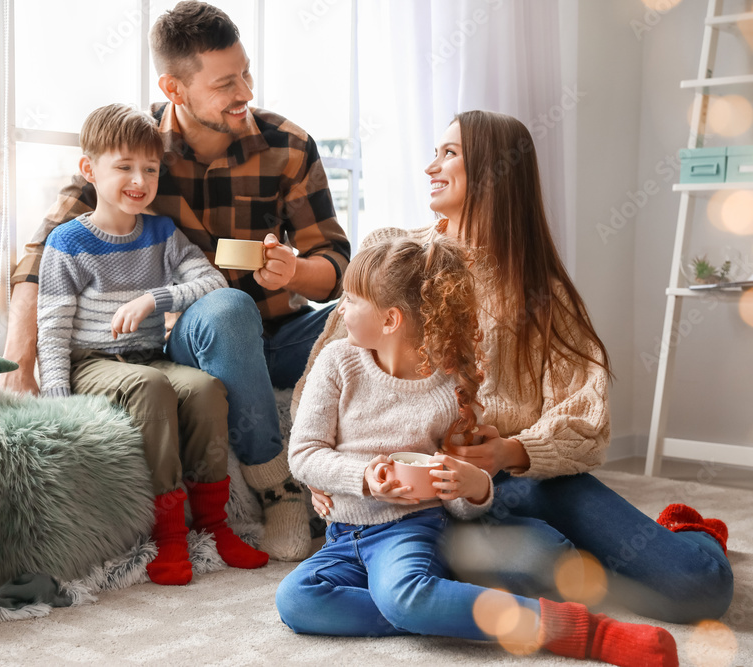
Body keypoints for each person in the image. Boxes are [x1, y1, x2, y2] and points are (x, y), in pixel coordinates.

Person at [300, 110, 733, 624]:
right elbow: (325, 380)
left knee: (698, 589)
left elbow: (587, 424)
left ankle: (688, 531)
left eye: (449, 153)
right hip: (424, 504)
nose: (430, 166)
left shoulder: (543, 294)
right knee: (545, 569)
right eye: (435, 152)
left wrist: (508, 450)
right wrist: (333, 475)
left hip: (521, 479)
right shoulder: (396, 255)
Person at [0, 1, 351, 562]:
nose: (246, 92)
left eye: (246, 73)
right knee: (230, 306)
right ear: (175, 87)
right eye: (226, 83)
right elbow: (44, 249)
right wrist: (22, 364)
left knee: (361, 319)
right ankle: (278, 486)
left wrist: (294, 268)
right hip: (197, 337)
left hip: (281, 337)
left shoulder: (289, 146)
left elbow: (334, 262)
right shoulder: (135, 149)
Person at [275, 236, 679, 667]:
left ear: (391, 319)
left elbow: (463, 502)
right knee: (297, 601)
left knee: (405, 594)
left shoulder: (452, 390)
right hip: (342, 534)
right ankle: (434, 605)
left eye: (351, 299)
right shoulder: (337, 361)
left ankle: (575, 631)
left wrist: (475, 487)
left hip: (409, 531)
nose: (340, 308)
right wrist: (362, 478)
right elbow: (304, 454)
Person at [37, 103, 268, 585]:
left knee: (204, 388)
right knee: (150, 388)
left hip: (151, 355)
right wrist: (55, 402)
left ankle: (215, 524)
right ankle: (168, 537)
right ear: (90, 170)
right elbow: (54, 331)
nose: (138, 180)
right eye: (123, 167)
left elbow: (210, 280)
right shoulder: (67, 242)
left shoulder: (162, 233)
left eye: (150, 169)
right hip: (93, 362)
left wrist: (154, 298)